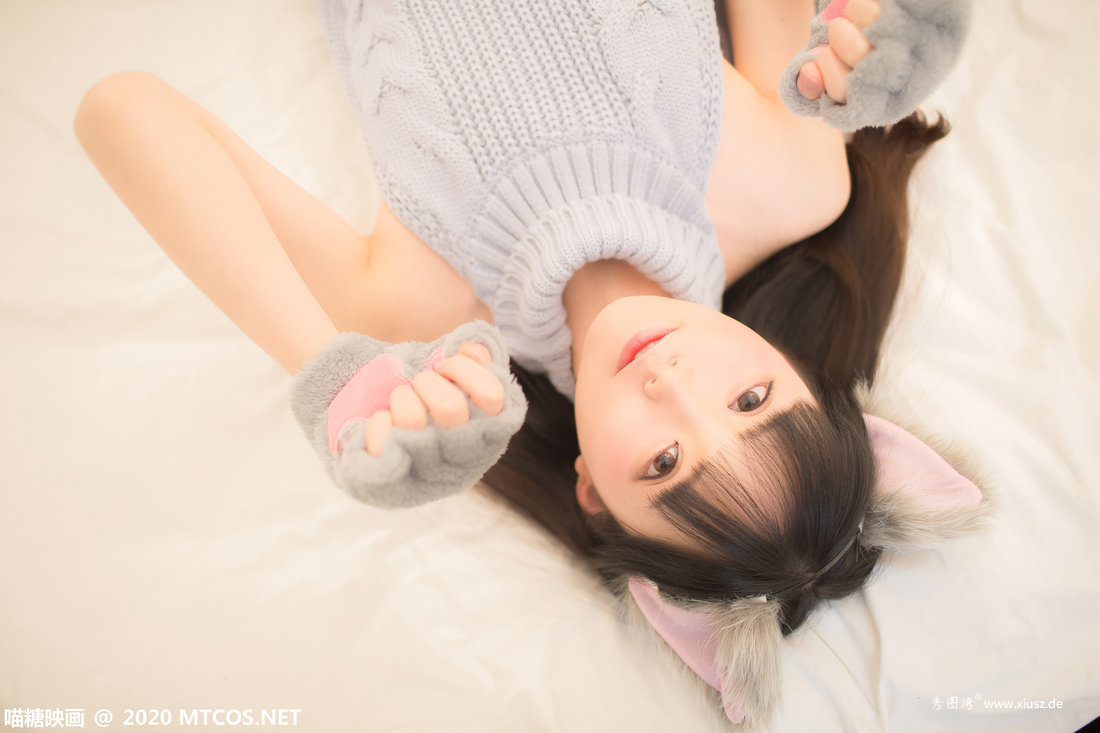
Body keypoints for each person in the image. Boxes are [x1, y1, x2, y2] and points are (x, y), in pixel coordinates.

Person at [73, 0, 985, 725]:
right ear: (796, 368)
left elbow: (121, 110)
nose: (672, 383)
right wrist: (870, 27)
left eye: (664, 461)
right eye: (751, 400)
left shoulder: (420, 306)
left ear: (590, 489)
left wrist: (333, 378)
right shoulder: (795, 183)